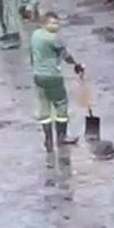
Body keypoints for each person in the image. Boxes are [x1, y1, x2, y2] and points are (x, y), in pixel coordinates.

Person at [30, 12, 86, 151]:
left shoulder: (35, 35)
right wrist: (76, 65)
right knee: (61, 104)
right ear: (45, 24)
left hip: (38, 75)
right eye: (53, 23)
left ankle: (48, 139)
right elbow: (66, 55)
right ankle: (62, 136)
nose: (57, 26)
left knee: (44, 107)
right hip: (53, 76)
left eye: (58, 23)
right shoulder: (54, 39)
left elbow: (31, 54)